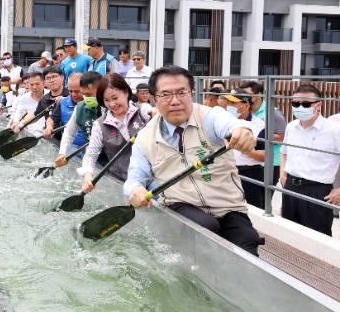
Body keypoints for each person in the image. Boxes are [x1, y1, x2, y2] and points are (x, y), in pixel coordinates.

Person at [123, 65, 262, 256]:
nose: (175, 101)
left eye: (182, 92)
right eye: (165, 95)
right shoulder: (145, 138)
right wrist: (135, 190)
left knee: (247, 241)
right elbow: (134, 179)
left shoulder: (209, 116)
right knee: (205, 228)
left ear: (192, 93)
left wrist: (243, 132)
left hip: (229, 207)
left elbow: (233, 125)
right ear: (154, 99)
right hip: (181, 205)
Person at [279, 84, 340, 236]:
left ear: (319, 105)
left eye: (305, 104)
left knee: (317, 238)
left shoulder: (333, 130)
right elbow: (284, 152)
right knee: (289, 233)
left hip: (317, 190)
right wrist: (283, 173)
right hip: (290, 187)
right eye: (295, 104)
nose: (300, 107)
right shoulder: (291, 126)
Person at [79, 73, 150, 193]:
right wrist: (87, 175)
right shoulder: (99, 125)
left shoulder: (143, 111)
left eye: (115, 98)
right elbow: (91, 155)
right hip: (122, 183)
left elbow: (153, 111)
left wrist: (156, 112)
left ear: (126, 92)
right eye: (106, 100)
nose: (112, 104)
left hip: (151, 180)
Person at [224, 90, 267, 209]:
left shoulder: (260, 126)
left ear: (246, 105)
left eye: (233, 103)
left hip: (250, 174)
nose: (229, 106)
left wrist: (244, 148)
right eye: (228, 102)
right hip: (226, 172)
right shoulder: (225, 122)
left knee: (252, 210)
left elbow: (265, 156)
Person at [239, 80, 287, 183]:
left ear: (257, 95)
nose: (243, 97)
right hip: (251, 161)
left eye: (246, 94)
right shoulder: (245, 111)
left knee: (264, 196)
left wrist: (257, 137)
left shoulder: (273, 112)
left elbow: (282, 137)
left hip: (271, 163)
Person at [55, 71, 104, 166]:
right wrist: (62, 153)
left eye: (89, 94)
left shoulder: (110, 107)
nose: (86, 98)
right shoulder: (80, 107)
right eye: (84, 94)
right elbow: (69, 132)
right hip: (90, 153)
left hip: (108, 155)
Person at [46, 73, 84, 143]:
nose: (73, 95)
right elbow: (51, 118)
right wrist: (49, 127)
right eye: (70, 91)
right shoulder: (63, 102)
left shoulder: (93, 103)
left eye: (77, 91)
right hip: (68, 147)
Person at [9, 72, 47, 137]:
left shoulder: (50, 95)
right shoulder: (24, 98)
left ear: (44, 83)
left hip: (47, 133)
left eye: (37, 84)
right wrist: (15, 122)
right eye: (31, 84)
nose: (34, 87)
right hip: (30, 133)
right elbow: (18, 113)